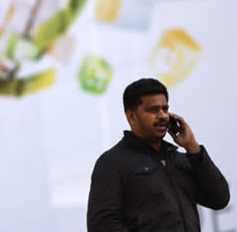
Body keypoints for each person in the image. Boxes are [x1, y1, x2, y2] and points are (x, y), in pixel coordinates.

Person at [87, 77, 230, 232]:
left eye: (165, 109)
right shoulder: (112, 162)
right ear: (131, 117)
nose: (163, 115)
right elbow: (101, 224)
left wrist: (192, 147)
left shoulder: (179, 159)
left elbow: (219, 199)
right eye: (153, 110)